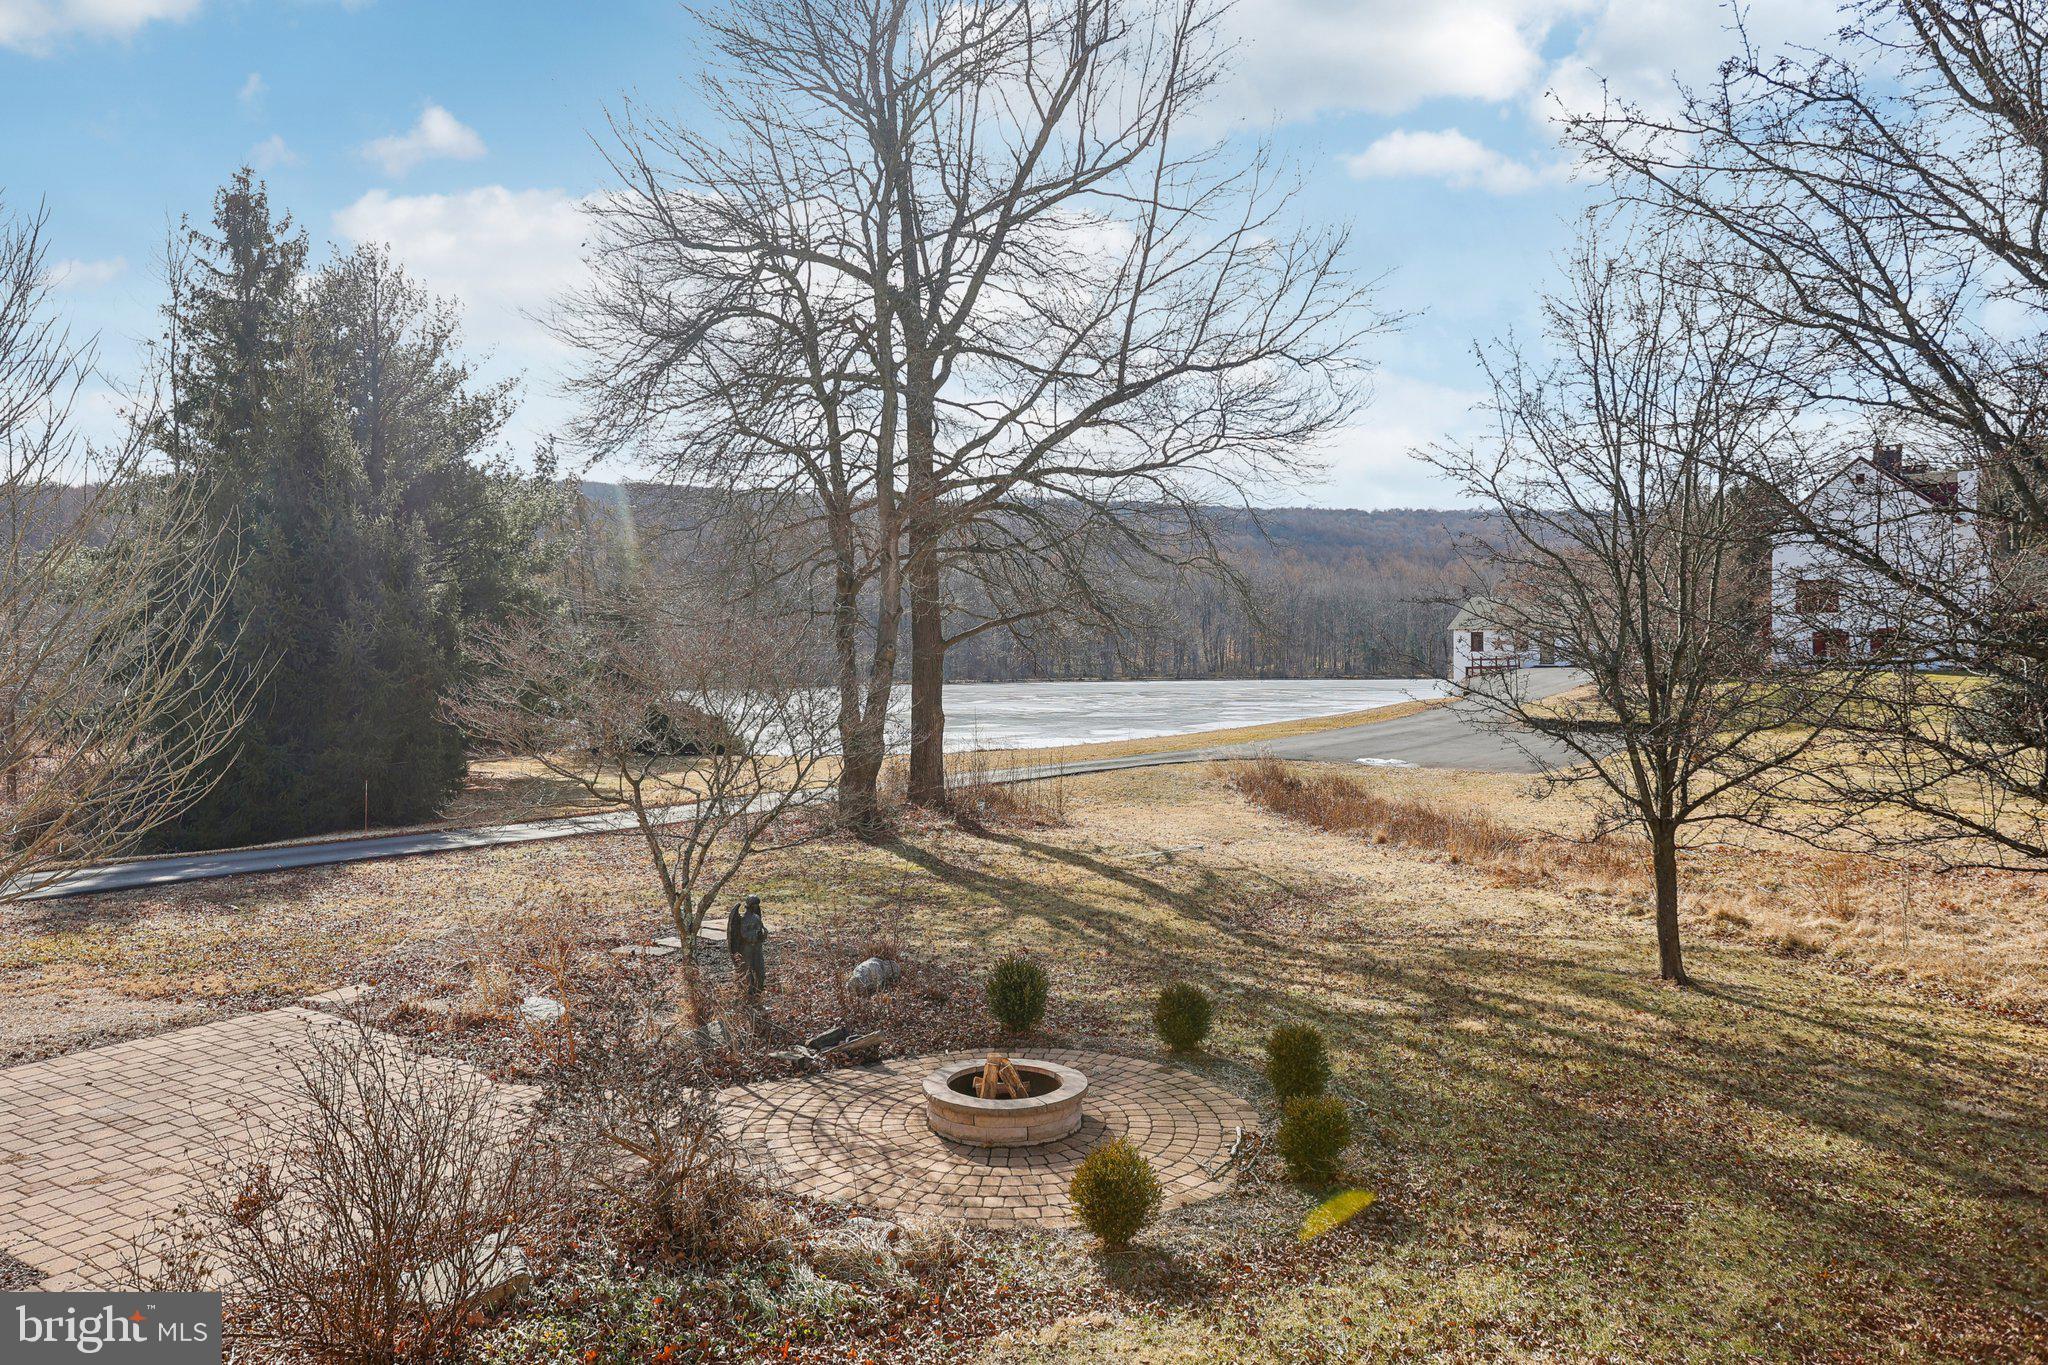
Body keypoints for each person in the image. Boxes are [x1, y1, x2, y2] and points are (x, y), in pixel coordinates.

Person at [737, 896, 767, 995]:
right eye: (755, 905)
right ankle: (749, 991)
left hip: (757, 947)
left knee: (760, 969)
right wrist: (755, 934)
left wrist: (763, 933)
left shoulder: (757, 917)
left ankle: (759, 990)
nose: (757, 907)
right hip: (748, 948)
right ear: (750, 906)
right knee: (747, 969)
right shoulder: (744, 919)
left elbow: (761, 930)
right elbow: (744, 934)